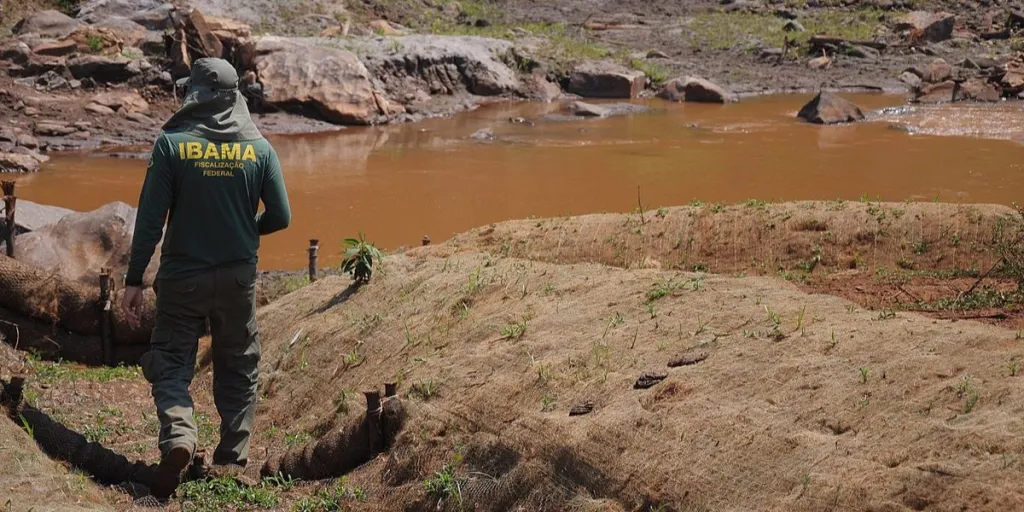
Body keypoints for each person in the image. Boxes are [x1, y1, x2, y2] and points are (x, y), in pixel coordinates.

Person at [121, 57, 291, 500]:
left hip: (183, 280)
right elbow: (282, 216)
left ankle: (179, 435)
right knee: (239, 364)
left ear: (194, 94)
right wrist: (246, 230)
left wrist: (135, 278)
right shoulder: (261, 149)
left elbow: (150, 221)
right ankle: (232, 458)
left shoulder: (172, 145)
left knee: (172, 362)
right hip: (238, 280)